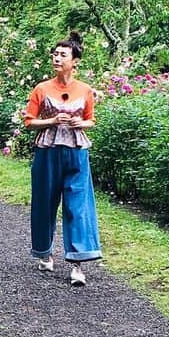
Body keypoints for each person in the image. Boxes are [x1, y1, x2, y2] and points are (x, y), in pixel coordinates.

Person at [22, 31, 102, 285]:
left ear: (74, 61)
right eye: (55, 54)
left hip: (76, 153)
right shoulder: (41, 89)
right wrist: (52, 121)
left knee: (78, 207)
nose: (57, 58)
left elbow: (91, 120)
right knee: (45, 203)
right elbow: (29, 122)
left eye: (62, 55)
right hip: (48, 152)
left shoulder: (85, 90)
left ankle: (77, 265)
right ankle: (45, 255)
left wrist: (81, 123)